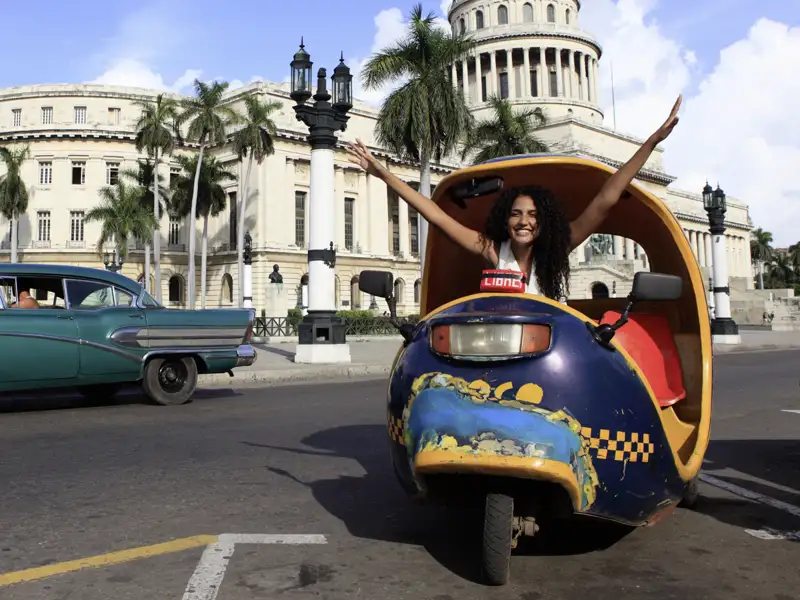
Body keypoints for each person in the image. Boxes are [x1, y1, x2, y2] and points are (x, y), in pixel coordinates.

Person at [347, 96, 683, 301]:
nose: (524, 221)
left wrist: (652, 141)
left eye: (533, 215)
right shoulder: (493, 250)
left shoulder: (557, 248)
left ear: (543, 220)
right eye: (516, 214)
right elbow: (436, 216)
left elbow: (606, 199)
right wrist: (382, 173)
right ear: (505, 220)